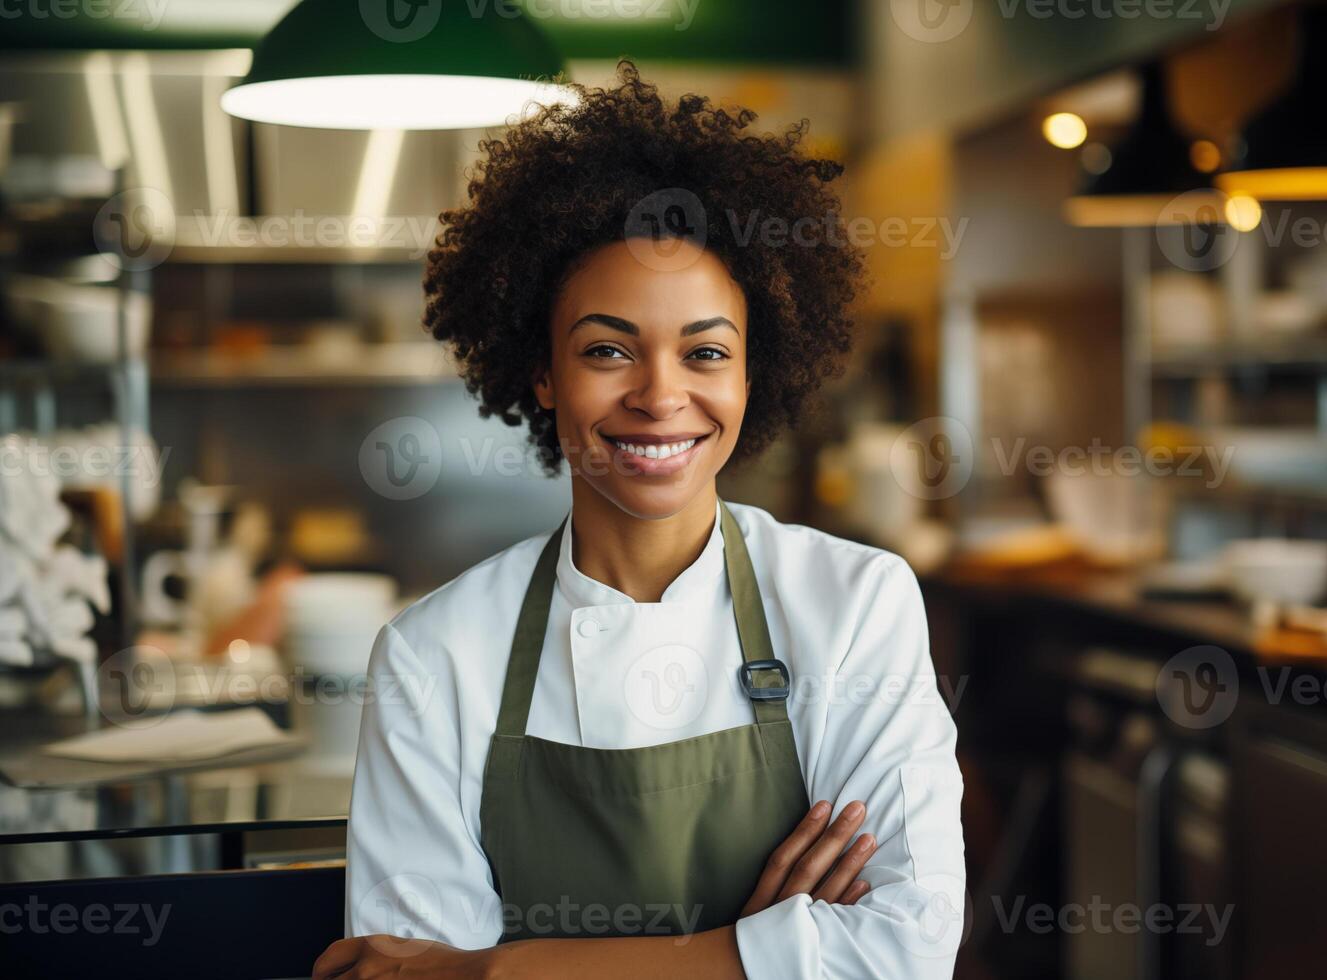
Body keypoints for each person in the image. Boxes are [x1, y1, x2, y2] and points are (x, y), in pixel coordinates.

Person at [314, 61, 965, 980]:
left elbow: (903, 955)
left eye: (705, 351)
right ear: (542, 371)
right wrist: (760, 950)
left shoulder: (855, 605)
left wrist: (490, 970)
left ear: (752, 374)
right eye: (608, 349)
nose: (661, 396)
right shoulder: (436, 656)